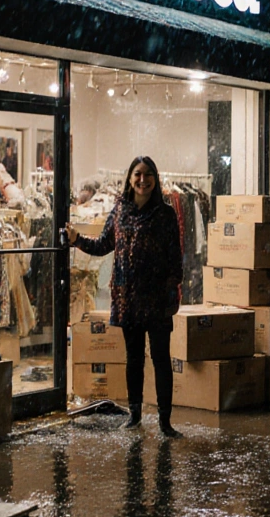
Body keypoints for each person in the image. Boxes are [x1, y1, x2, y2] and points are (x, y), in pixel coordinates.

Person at [65, 156, 184, 437]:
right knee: (133, 359)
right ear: (130, 178)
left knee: (160, 359)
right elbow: (104, 244)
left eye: (148, 175)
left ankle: (165, 422)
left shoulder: (166, 214)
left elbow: (175, 260)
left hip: (156, 300)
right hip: (128, 298)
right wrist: (76, 240)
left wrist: (169, 294)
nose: (143, 180)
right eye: (138, 174)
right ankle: (135, 415)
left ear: (155, 179)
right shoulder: (120, 210)